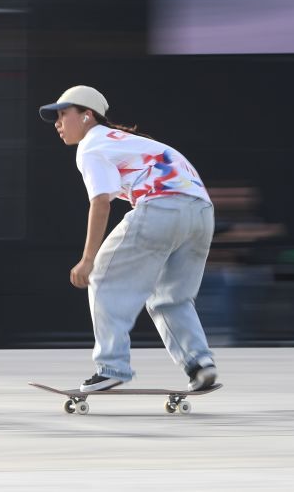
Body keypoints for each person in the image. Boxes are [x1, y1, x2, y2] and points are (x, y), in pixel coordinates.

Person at [38, 85, 218, 393]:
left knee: (104, 278)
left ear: (87, 116)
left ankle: (111, 366)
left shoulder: (92, 146)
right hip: (202, 213)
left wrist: (88, 259)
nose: (57, 123)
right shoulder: (128, 141)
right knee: (170, 298)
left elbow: (101, 202)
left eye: (63, 114)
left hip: (161, 207)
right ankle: (200, 365)